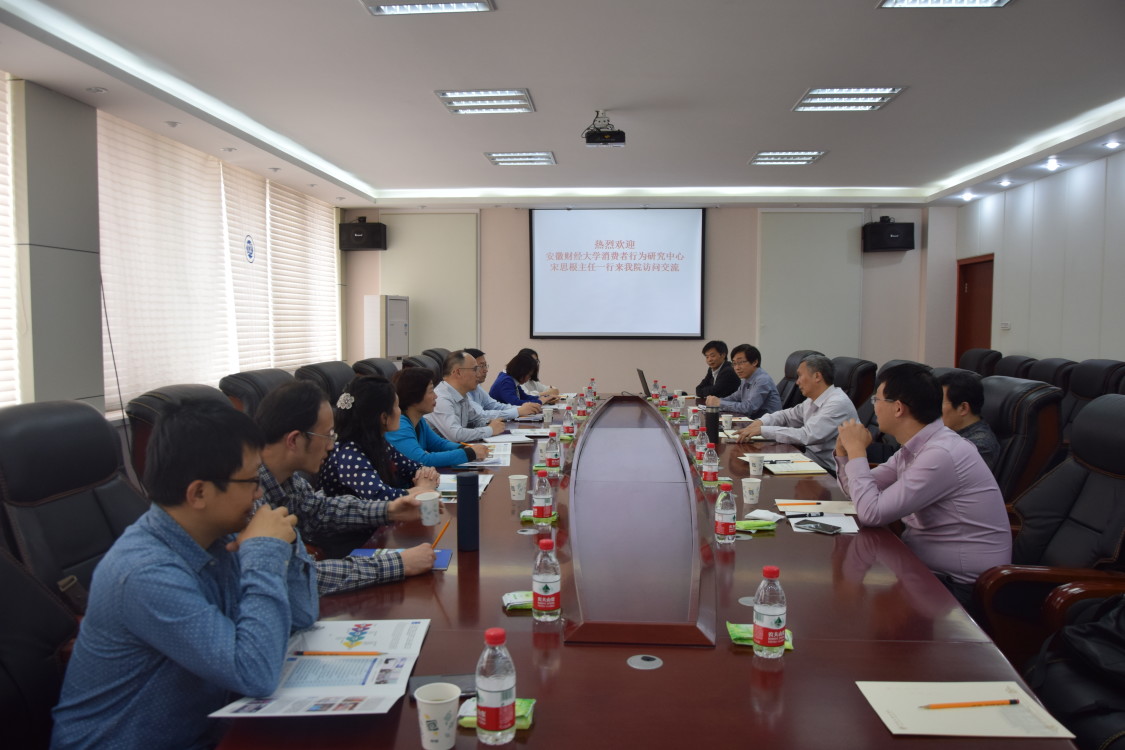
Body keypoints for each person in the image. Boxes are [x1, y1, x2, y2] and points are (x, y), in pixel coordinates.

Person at [51, 400, 318, 750]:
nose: (259, 493)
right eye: (252, 481)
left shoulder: (220, 535)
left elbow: (302, 615)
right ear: (199, 493)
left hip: (207, 731)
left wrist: (284, 538)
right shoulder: (144, 573)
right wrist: (265, 552)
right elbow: (254, 672)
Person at [834, 362, 1011, 609]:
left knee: (853, 607)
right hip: (919, 568)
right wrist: (845, 456)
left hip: (960, 586)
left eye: (877, 400)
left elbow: (871, 513)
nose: (873, 407)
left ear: (898, 408)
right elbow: (858, 493)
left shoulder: (941, 453)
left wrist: (857, 452)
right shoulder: (917, 447)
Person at [256, 380, 435, 594]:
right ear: (294, 440)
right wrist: (398, 564)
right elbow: (299, 578)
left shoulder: (290, 481)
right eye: (327, 435)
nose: (331, 445)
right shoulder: (248, 497)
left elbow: (320, 511)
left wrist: (390, 510)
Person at [736, 353, 858, 467]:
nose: (797, 382)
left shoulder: (837, 403)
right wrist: (761, 422)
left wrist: (763, 430)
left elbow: (807, 435)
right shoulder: (812, 400)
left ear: (817, 376)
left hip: (831, 470)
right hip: (810, 459)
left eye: (800, 376)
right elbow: (786, 416)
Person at [387, 366, 490, 466]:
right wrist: (470, 453)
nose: (435, 396)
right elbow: (422, 460)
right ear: (414, 396)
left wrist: (467, 448)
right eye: (431, 391)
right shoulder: (400, 425)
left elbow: (439, 444)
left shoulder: (419, 420)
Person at [427, 350, 508, 442]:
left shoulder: (462, 395)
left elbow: (475, 420)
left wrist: (490, 422)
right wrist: (490, 430)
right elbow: (456, 435)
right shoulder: (440, 398)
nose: (478, 374)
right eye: (475, 369)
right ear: (458, 372)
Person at [937, 369, 1001, 471]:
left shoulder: (980, 445)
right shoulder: (948, 431)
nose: (933, 409)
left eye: (939, 403)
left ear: (963, 408)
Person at [704, 343, 781, 418]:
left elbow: (749, 408)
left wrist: (720, 403)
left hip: (768, 424)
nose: (737, 368)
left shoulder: (762, 380)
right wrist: (716, 400)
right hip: (753, 420)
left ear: (755, 362)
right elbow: (734, 398)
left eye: (740, 362)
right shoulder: (746, 378)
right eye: (734, 363)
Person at [463, 347, 540, 421]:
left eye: (485, 365)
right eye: (481, 366)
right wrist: (518, 411)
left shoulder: (477, 388)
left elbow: (494, 405)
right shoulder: (505, 381)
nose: (486, 370)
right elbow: (481, 415)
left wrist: (521, 409)